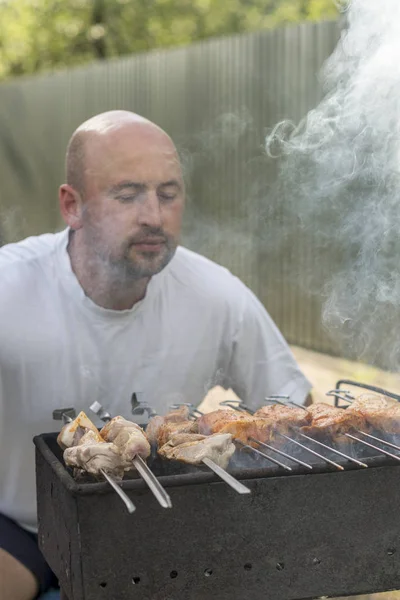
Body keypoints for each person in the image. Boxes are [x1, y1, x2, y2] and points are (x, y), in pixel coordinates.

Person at [0, 110, 312, 599]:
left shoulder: (215, 296)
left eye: (168, 194)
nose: (154, 215)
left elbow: (293, 408)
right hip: (20, 528)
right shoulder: (8, 288)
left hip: (159, 523)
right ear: (72, 205)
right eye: (128, 195)